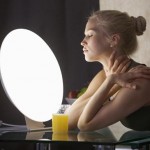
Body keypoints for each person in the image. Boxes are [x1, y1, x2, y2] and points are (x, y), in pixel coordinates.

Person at [65, 10, 150, 131]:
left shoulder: (139, 80)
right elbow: (68, 121)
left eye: (90, 35)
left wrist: (111, 82)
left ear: (113, 40)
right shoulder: (106, 76)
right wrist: (111, 85)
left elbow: (85, 125)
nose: (82, 41)